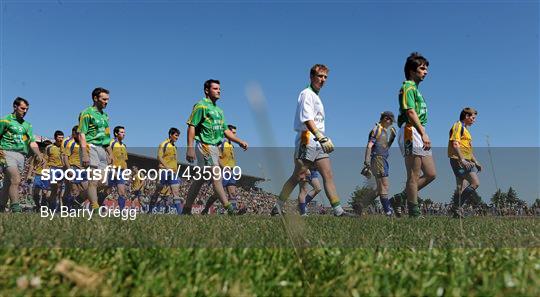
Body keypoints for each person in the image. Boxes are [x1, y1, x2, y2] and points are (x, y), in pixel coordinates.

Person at [272, 64, 352, 217]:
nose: (323, 80)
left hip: (319, 140)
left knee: (328, 175)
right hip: (307, 139)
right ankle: (278, 205)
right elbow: (307, 118)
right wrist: (320, 135)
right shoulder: (306, 94)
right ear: (311, 77)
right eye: (320, 76)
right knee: (299, 176)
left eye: (325, 77)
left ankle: (338, 210)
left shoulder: (316, 96)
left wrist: (322, 137)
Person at [183, 79, 248, 215]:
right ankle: (230, 208)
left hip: (215, 148)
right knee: (216, 176)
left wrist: (239, 141)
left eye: (219, 89)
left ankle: (186, 209)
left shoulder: (219, 111)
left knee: (200, 179)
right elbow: (191, 126)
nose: (219, 91)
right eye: (215, 88)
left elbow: (225, 131)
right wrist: (189, 147)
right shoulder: (201, 106)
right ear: (207, 90)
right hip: (205, 145)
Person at [395, 52, 437, 218]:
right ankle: (414, 212)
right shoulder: (407, 87)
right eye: (422, 68)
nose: (425, 71)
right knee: (413, 174)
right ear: (412, 71)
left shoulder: (416, 90)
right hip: (410, 131)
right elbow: (411, 112)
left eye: (426, 68)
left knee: (431, 173)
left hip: (419, 131)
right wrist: (423, 133)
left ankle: (400, 198)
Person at [0, 97, 43, 212]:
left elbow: (32, 142)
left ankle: (1, 207)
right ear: (15, 107)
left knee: (8, 183)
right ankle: (16, 208)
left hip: (21, 156)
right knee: (16, 179)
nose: (25, 111)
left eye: (27, 109)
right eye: (22, 108)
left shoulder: (27, 125)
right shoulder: (5, 121)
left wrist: (39, 154)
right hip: (7, 153)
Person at [78, 87, 112, 211]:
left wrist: (110, 152)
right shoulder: (86, 113)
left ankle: (80, 197)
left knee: (103, 183)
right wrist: (85, 153)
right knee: (94, 180)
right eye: (104, 99)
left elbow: (106, 136)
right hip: (90, 147)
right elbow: (81, 134)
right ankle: (95, 207)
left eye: (108, 99)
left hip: (102, 149)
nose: (106, 102)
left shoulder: (106, 116)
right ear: (95, 98)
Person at [201, 124, 246, 214]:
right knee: (217, 195)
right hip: (222, 171)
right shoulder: (221, 144)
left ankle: (233, 212)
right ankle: (206, 209)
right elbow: (216, 157)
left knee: (232, 193)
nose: (234, 135)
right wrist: (224, 168)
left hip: (231, 172)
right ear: (227, 133)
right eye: (233, 133)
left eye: (235, 133)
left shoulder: (231, 146)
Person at [448, 108, 482, 218]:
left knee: (461, 187)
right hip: (459, 161)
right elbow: (455, 143)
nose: (474, 120)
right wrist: (462, 159)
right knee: (475, 183)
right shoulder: (458, 126)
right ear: (466, 116)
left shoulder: (465, 129)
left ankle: (456, 213)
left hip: (465, 160)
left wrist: (475, 161)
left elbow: (467, 149)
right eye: (473, 117)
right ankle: (457, 207)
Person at [363, 111, 397, 216]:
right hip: (378, 159)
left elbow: (385, 148)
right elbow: (369, 145)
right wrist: (367, 161)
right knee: (384, 185)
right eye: (391, 121)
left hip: (383, 159)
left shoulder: (384, 131)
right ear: (386, 119)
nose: (391, 123)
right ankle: (388, 211)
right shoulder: (377, 129)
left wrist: (392, 139)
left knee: (379, 188)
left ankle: (361, 204)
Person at [148, 128, 183, 214]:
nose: (177, 138)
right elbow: (159, 157)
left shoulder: (174, 146)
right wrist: (167, 168)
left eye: (178, 136)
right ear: (171, 135)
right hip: (164, 171)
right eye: (176, 135)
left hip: (173, 173)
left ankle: (180, 214)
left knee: (176, 193)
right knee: (158, 191)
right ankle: (150, 210)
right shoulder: (164, 144)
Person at [109, 126, 129, 210]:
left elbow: (124, 160)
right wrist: (112, 170)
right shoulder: (111, 143)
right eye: (121, 132)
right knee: (106, 191)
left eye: (124, 132)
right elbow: (107, 157)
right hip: (111, 170)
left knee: (122, 192)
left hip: (121, 171)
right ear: (116, 133)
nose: (124, 134)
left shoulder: (124, 145)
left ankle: (121, 212)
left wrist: (126, 172)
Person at [45, 130, 65, 210]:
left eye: (62, 138)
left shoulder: (65, 147)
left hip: (62, 169)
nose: (61, 139)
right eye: (59, 137)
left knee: (60, 190)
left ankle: (59, 208)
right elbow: (45, 159)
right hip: (52, 169)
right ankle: (51, 206)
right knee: (55, 189)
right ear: (55, 138)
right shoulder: (49, 147)